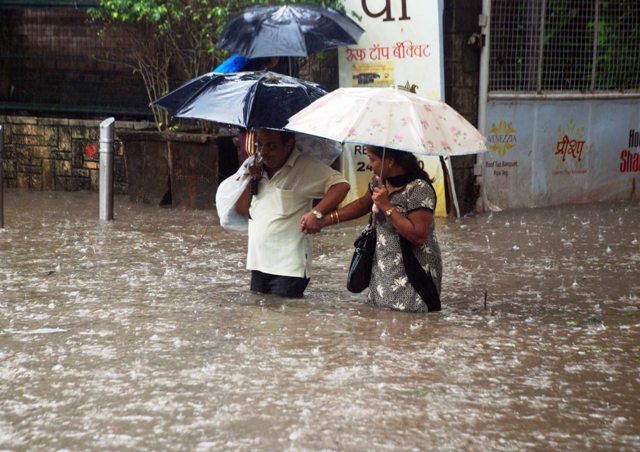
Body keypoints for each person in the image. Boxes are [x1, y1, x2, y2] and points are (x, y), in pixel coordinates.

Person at [313, 145, 442, 313]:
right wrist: (325, 220)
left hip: (413, 271)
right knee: (380, 320)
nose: (369, 165)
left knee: (409, 322)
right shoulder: (378, 182)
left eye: (372, 159)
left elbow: (418, 236)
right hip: (383, 267)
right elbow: (362, 205)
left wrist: (386, 206)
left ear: (389, 161)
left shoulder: (419, 188)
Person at [234, 128, 350, 298]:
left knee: (286, 319)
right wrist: (251, 180)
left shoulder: (305, 166)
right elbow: (241, 209)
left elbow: (341, 185)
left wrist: (317, 213)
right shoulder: (255, 168)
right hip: (258, 264)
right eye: (260, 145)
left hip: (288, 269)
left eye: (271, 145)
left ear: (289, 145)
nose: (264, 151)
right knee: (258, 320)